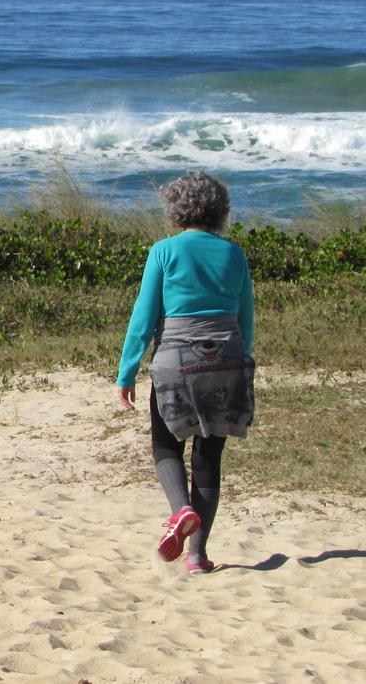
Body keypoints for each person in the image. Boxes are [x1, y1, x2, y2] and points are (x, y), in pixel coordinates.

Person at [116, 171, 255, 574]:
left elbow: (143, 319)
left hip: (175, 359)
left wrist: (127, 371)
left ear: (176, 209)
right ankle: (196, 556)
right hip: (227, 358)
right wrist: (237, 362)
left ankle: (180, 512)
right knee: (208, 459)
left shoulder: (164, 251)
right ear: (220, 209)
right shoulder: (234, 253)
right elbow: (245, 319)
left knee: (165, 446)